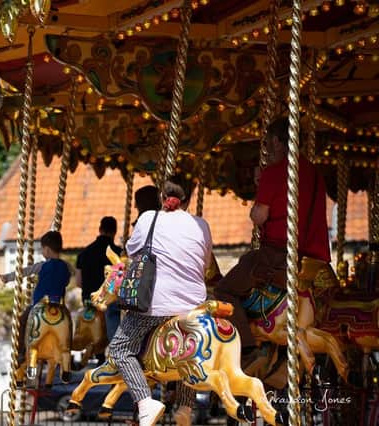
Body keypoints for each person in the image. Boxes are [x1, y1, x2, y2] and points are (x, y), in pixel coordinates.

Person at [213, 116, 330, 365]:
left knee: (223, 289)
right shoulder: (314, 172)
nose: (266, 149)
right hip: (312, 259)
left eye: (267, 143)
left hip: (277, 254)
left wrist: (258, 196)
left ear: (277, 142)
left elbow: (260, 216)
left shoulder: (275, 172)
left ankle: (246, 347)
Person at [109, 178, 212, 426]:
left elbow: (132, 251)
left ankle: (146, 402)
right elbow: (206, 264)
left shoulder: (148, 219)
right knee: (190, 356)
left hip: (156, 305)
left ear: (162, 198)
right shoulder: (202, 225)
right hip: (195, 308)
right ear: (186, 199)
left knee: (120, 348)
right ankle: (186, 407)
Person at [0, 231, 71, 365]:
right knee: (69, 322)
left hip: (40, 305)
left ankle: (20, 352)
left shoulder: (42, 266)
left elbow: (24, 272)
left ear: (47, 250)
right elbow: (66, 281)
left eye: (42, 249)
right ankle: (67, 350)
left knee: (22, 321)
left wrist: (8, 277)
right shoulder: (66, 266)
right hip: (59, 305)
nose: (43, 252)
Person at [75, 217, 123, 349]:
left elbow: (78, 283)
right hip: (109, 302)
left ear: (100, 229)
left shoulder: (83, 253)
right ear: (115, 232)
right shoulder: (118, 254)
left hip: (89, 303)